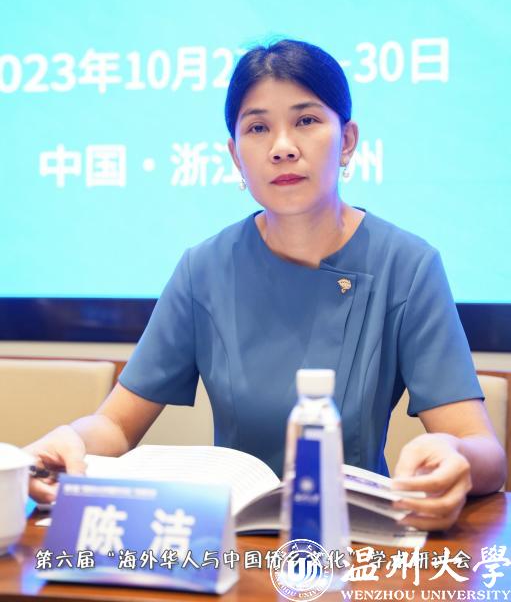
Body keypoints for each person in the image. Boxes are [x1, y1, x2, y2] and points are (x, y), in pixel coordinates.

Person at [26, 39, 506, 531]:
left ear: (347, 140)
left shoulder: (407, 264)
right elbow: (114, 423)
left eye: (306, 120)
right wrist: (70, 441)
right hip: (229, 543)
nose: (282, 147)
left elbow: (486, 451)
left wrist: (455, 456)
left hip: (354, 541)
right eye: (258, 128)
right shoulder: (204, 268)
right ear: (236, 155)